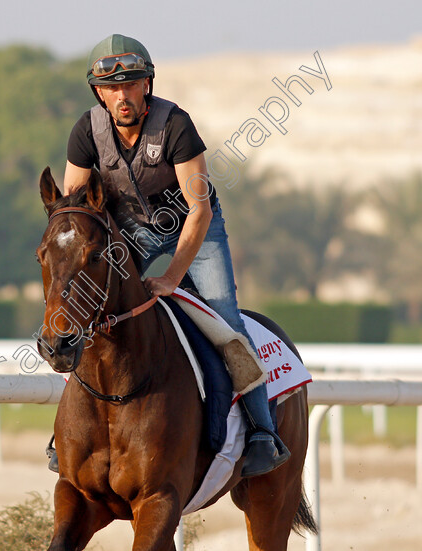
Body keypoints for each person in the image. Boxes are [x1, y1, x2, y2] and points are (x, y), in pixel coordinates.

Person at [46, 33, 290, 478]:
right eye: (113, 88)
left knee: (225, 319)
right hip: (130, 232)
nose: (123, 95)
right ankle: (63, 431)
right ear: (98, 93)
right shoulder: (85, 131)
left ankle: (261, 430)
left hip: (194, 227)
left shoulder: (176, 125)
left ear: (148, 85)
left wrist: (173, 278)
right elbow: (75, 211)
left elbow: (198, 211)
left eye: (132, 84)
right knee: (87, 311)